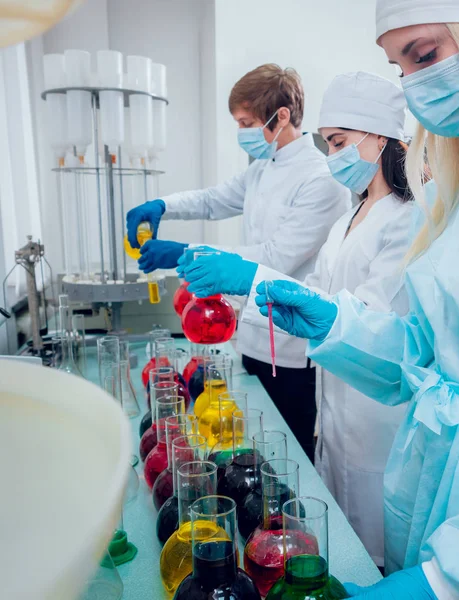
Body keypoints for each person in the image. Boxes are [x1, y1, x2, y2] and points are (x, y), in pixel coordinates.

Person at [194, 1, 459, 598]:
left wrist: (449, 582)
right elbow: (430, 350)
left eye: (424, 55)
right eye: (401, 69)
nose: (417, 88)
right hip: (434, 485)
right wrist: (337, 327)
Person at [179, 72, 413, 567]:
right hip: (334, 412)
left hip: (374, 419)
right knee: (336, 544)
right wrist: (260, 288)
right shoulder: (353, 215)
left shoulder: (405, 219)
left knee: (375, 555)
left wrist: (250, 275)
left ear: (381, 137)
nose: (333, 157)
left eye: (341, 143)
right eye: (329, 144)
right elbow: (318, 298)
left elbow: (368, 322)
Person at [126, 64, 351, 460]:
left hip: (291, 350)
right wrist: (163, 205)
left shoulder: (322, 179)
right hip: (249, 340)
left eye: (247, 122)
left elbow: (275, 257)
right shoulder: (263, 168)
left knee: (286, 455)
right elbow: (214, 199)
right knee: (250, 449)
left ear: (281, 115)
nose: (241, 132)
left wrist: (184, 253)